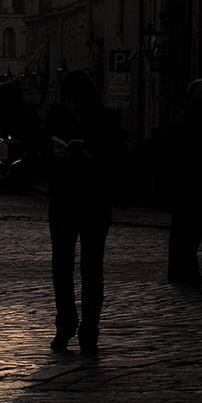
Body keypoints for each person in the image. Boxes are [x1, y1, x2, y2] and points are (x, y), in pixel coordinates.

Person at [42, 69, 125, 354]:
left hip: (94, 201)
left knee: (92, 269)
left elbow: (118, 161)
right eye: (71, 101)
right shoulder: (54, 120)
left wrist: (91, 156)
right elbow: (39, 157)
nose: (75, 107)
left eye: (80, 101)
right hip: (63, 200)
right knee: (61, 267)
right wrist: (55, 156)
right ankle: (65, 324)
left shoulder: (106, 121)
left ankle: (90, 330)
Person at [167, 79, 202, 285]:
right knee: (190, 229)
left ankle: (183, 270)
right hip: (191, 182)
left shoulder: (188, 114)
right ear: (196, 93)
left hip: (186, 182)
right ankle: (185, 271)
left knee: (186, 230)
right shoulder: (196, 116)